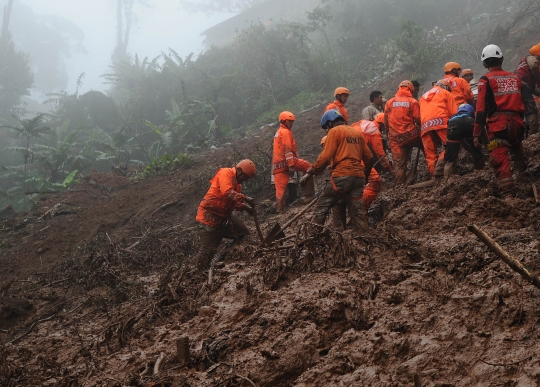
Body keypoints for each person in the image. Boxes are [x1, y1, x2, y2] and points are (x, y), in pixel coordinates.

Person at [300, 110, 373, 233]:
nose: (326, 131)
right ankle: (367, 243)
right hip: (358, 178)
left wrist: (311, 172)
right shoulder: (356, 132)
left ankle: (311, 241)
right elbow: (369, 158)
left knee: (321, 207)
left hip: (341, 176)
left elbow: (325, 157)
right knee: (358, 213)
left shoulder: (334, 132)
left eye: (326, 128)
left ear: (329, 123)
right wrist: (364, 175)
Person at [474, 44, 527, 194]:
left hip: (499, 127)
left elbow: (481, 109)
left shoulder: (485, 80)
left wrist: (477, 134)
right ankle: (525, 181)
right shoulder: (515, 77)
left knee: (499, 158)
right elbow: (521, 102)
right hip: (518, 124)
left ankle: (508, 193)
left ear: (484, 64)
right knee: (518, 153)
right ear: (502, 59)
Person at [194, 159, 256, 272]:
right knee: (205, 256)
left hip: (224, 218)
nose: (244, 181)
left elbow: (234, 202)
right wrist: (246, 198)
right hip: (209, 218)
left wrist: (247, 208)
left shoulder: (238, 186)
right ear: (239, 170)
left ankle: (225, 257)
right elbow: (226, 192)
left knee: (243, 233)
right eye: (245, 177)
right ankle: (199, 276)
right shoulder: (226, 173)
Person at [272, 111, 314, 212]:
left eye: (292, 122)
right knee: (309, 167)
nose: (292, 124)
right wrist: (291, 165)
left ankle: (280, 210)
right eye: (289, 121)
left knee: (280, 190)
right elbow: (287, 149)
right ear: (283, 121)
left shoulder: (278, 132)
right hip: (287, 162)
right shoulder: (286, 132)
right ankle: (309, 195)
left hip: (277, 165)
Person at [384, 80, 422, 185]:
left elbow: (386, 122)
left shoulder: (389, 102)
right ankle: (433, 173)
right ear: (411, 90)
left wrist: (389, 136)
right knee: (428, 149)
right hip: (412, 135)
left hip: (396, 139)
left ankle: (400, 188)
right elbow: (418, 120)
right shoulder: (413, 102)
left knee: (399, 166)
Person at [351, 119, 392, 214]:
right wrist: (389, 169)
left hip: (350, 153)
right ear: (382, 124)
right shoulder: (374, 131)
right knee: (375, 180)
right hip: (355, 157)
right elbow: (380, 154)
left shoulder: (362, 123)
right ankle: (362, 210)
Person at [419, 79, 458, 178]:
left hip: (425, 126)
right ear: (446, 87)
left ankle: (434, 176)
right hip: (441, 122)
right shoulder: (445, 93)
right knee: (450, 145)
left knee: (430, 153)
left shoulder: (423, 97)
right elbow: (454, 113)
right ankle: (440, 167)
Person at [443, 103, 485, 177]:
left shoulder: (453, 117)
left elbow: (459, 140)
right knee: (476, 150)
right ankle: (480, 170)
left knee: (450, 159)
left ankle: (447, 178)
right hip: (470, 123)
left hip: (453, 125)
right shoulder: (472, 116)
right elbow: (480, 127)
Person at [515, 43, 540, 134]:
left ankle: (526, 130)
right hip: (522, 86)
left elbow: (533, 89)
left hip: (519, 87)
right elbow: (534, 65)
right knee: (531, 109)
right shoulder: (532, 59)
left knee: (524, 110)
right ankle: (533, 132)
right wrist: (539, 79)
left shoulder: (524, 63)